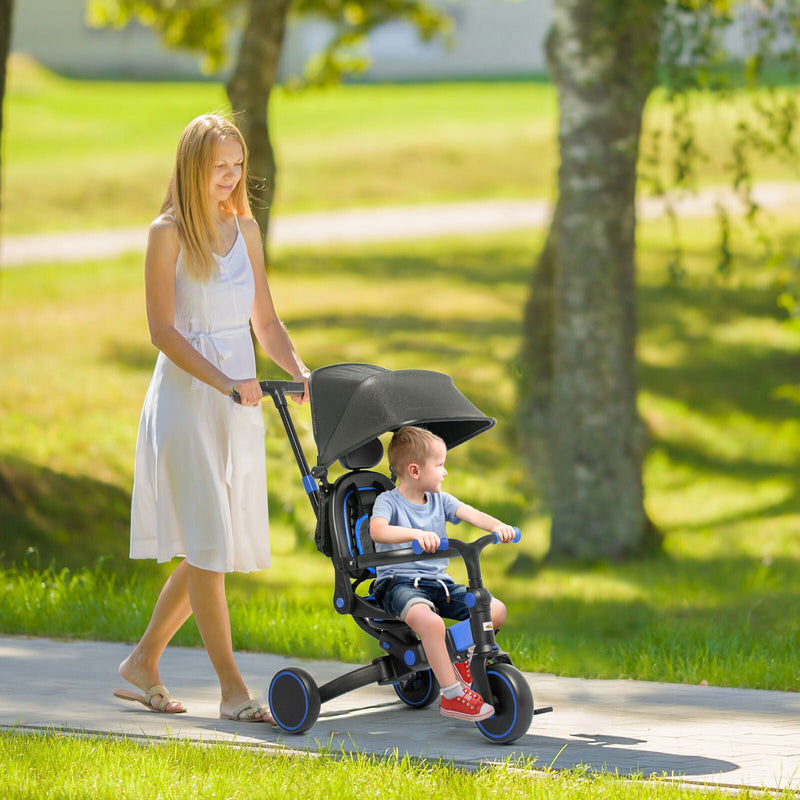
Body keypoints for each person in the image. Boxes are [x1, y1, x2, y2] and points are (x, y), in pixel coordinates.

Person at [113, 113, 310, 724]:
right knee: (209, 544)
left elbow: (266, 324)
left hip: (238, 398)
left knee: (211, 544)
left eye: (237, 166)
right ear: (192, 166)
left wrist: (302, 373)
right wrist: (225, 381)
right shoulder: (165, 233)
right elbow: (161, 331)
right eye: (219, 167)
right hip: (189, 398)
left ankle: (142, 662)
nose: (230, 178)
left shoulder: (245, 229)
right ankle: (231, 688)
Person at [369, 425, 516, 722]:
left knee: (494, 610)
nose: (445, 472)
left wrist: (498, 526)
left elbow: (471, 513)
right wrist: (414, 534)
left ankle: (459, 655)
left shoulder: (441, 500)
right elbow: (378, 529)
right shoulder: (389, 501)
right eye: (439, 465)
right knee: (430, 623)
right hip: (398, 584)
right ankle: (451, 695)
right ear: (414, 470)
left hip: (440, 585)